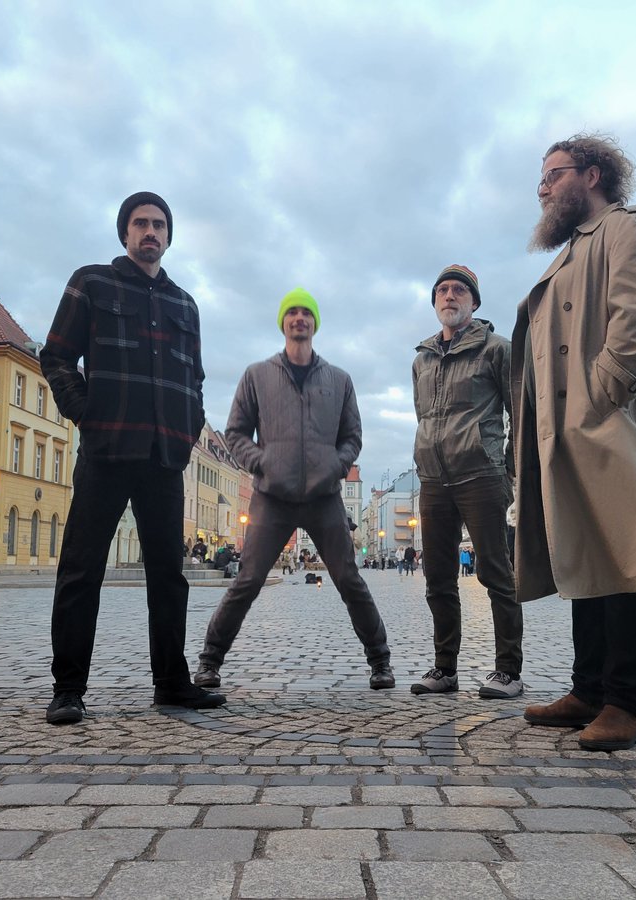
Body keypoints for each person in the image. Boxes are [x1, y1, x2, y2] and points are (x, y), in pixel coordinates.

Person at [512, 134, 636, 751]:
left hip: (605, 425)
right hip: (567, 432)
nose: (542, 187)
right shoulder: (571, 251)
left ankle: (625, 702)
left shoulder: (626, 232)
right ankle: (587, 689)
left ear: (592, 175)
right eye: (541, 177)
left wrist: (601, 394)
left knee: (628, 562)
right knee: (587, 559)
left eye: (553, 174)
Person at [40, 190, 225, 725]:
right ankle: (69, 688)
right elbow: (56, 355)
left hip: (165, 455)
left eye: (159, 225)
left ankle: (172, 683)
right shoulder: (92, 282)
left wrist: (190, 428)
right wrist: (85, 413)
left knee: (169, 575)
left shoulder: (185, 303)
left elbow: (196, 378)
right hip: (106, 448)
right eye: (141, 223)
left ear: (168, 237)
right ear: (125, 232)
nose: (151, 232)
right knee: (82, 570)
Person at [193, 288, 393, 691]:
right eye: (292, 313)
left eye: (306, 313)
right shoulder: (257, 375)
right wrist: (261, 463)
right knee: (248, 580)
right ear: (283, 322)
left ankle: (380, 661)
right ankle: (210, 661)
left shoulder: (339, 380)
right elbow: (235, 432)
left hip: (323, 498)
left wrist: (335, 465)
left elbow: (352, 436)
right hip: (272, 496)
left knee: (349, 579)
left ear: (314, 323)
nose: (299, 318)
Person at [410, 263, 523, 699]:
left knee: (497, 575)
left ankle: (508, 671)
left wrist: (507, 461)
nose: (450, 296)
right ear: (435, 301)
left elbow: (520, 407)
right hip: (434, 479)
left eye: (459, 290)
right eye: (442, 290)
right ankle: (444, 669)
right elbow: (424, 416)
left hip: (481, 474)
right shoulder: (421, 361)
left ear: (474, 302)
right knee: (438, 577)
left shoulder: (496, 349)